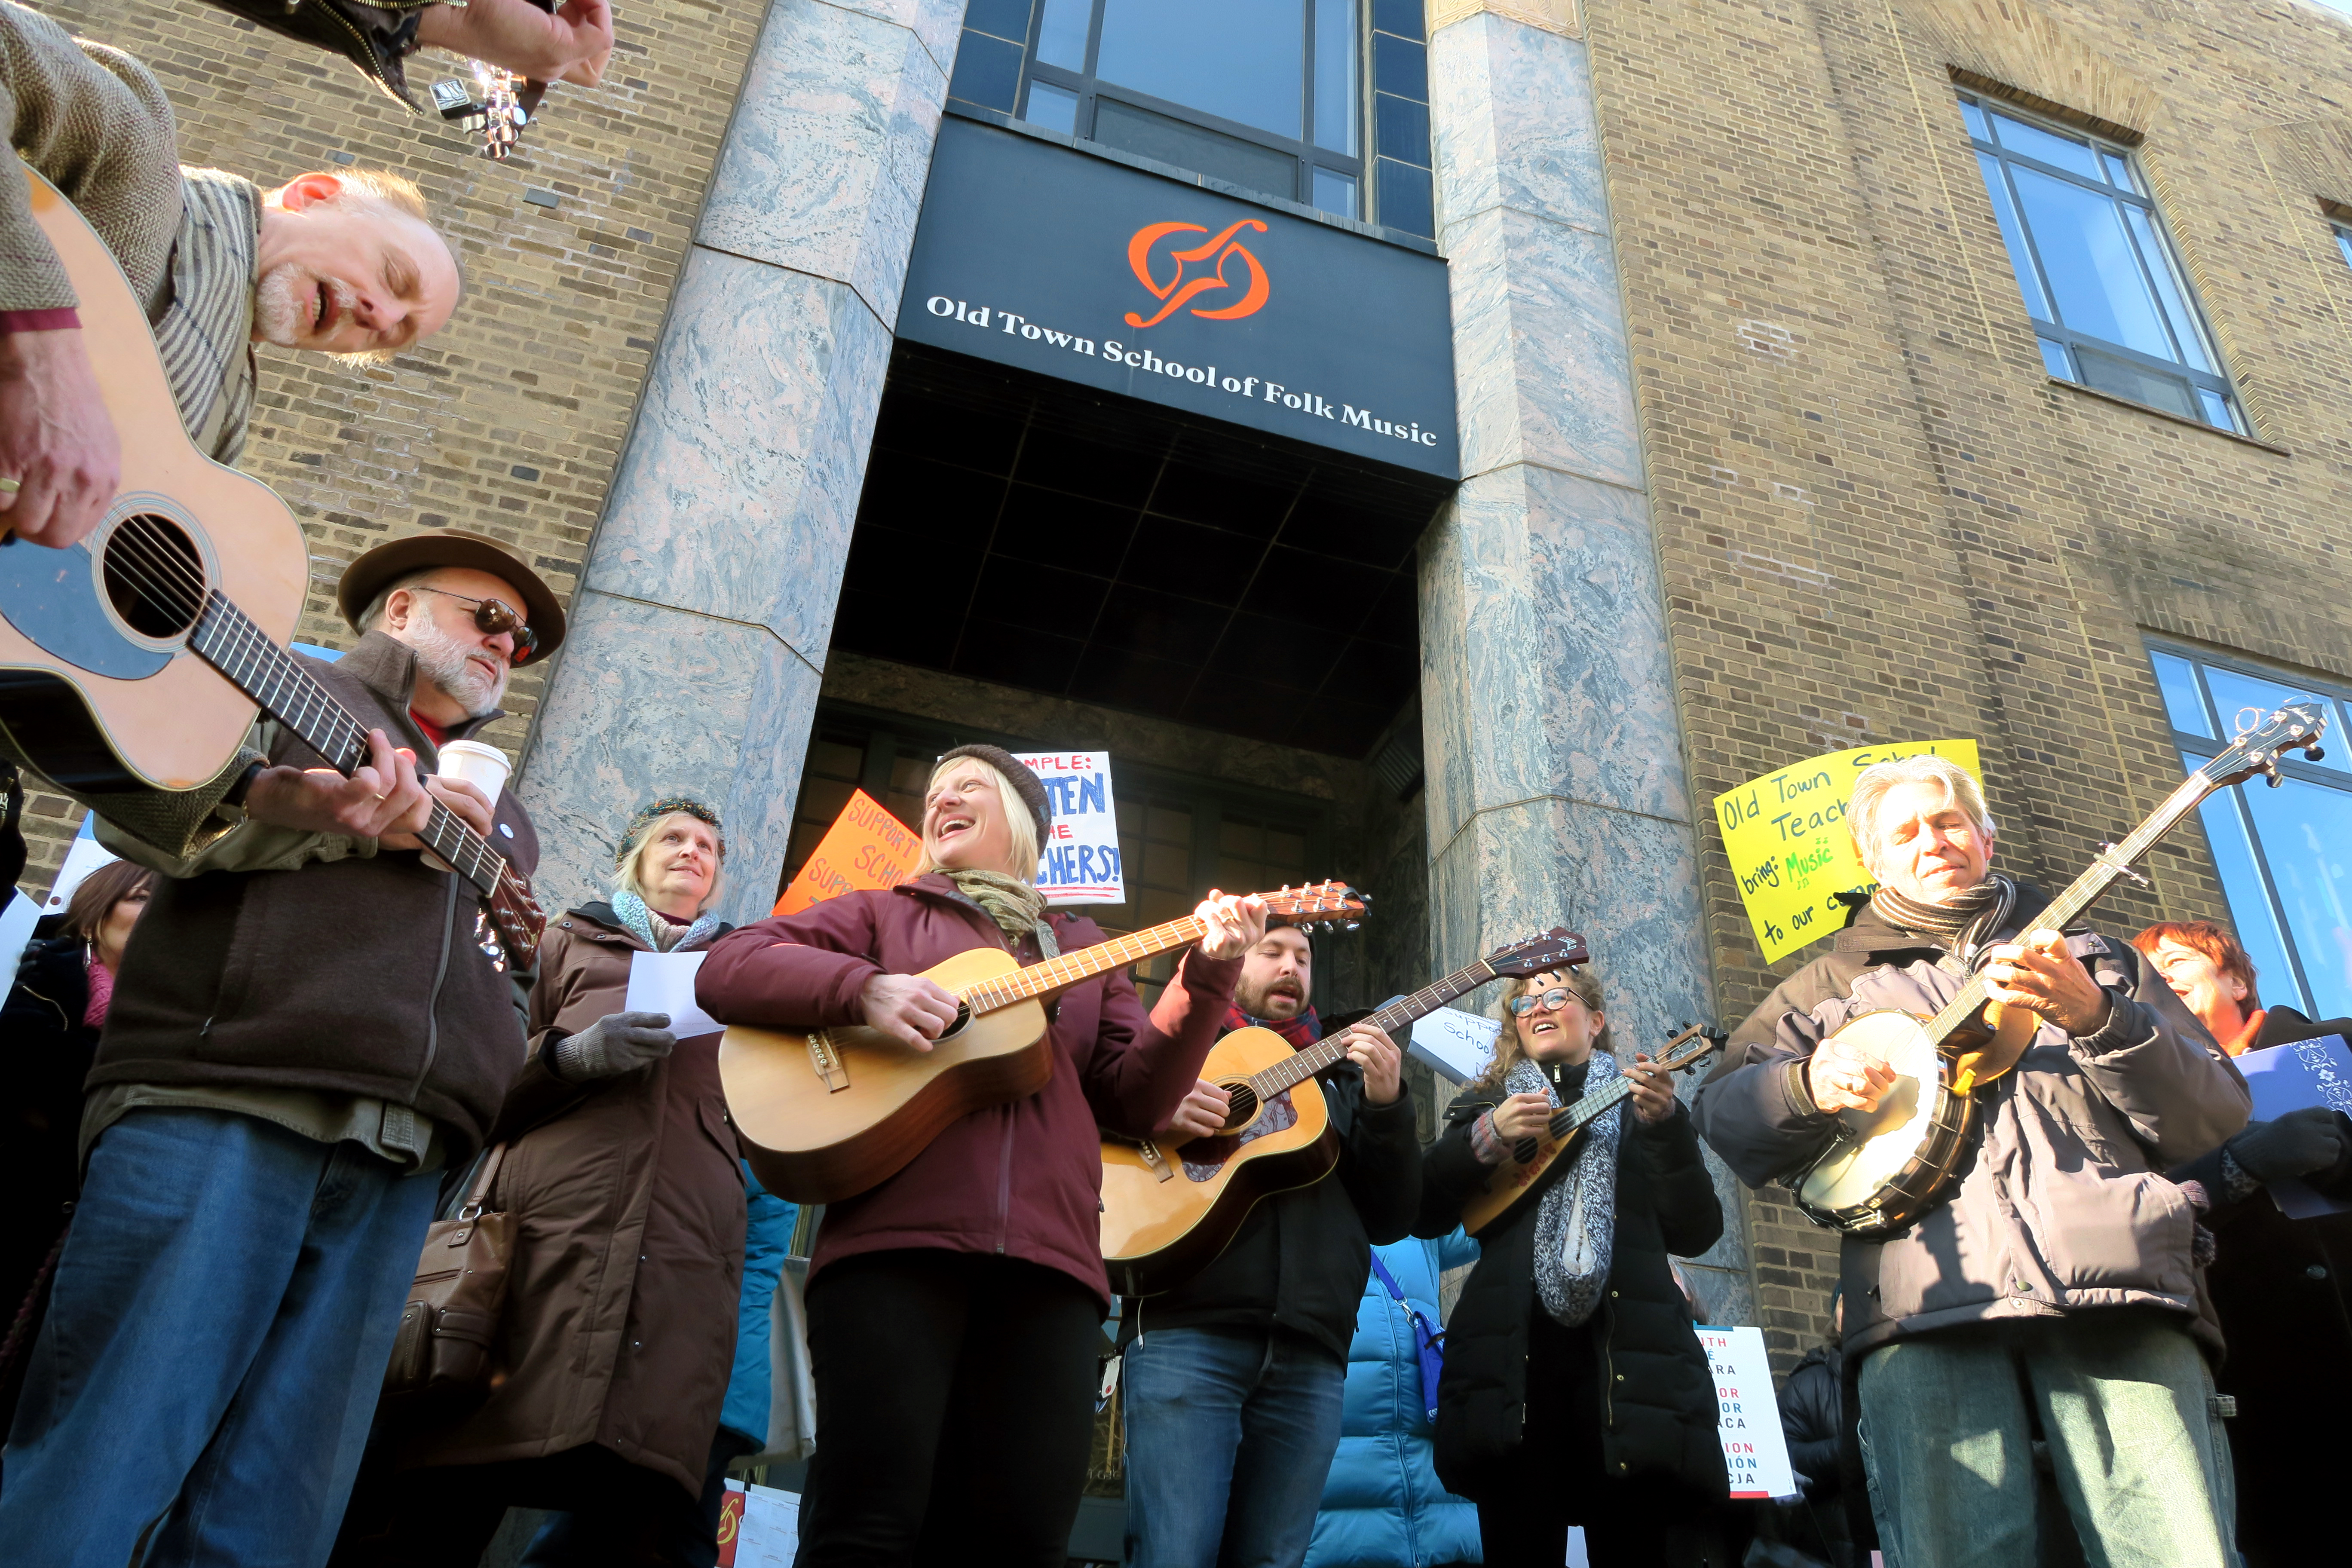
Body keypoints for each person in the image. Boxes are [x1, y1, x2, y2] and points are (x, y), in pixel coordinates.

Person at [0, 528, 561, 1567]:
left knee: (275, 1515)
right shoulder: (276, 682)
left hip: (399, 1166)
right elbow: (142, 810)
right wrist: (324, 812)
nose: (505, 647)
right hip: (227, 1098)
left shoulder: (506, 817)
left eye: (521, 643)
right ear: (399, 610)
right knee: (106, 1454)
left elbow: (501, 974)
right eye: (488, 619)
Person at [695, 744, 1262, 1567]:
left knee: (1020, 1538)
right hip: (891, 1253)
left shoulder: (1080, 946)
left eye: (969, 787)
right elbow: (728, 965)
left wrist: (1206, 976)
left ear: (1024, 823)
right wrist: (864, 989)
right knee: (865, 1526)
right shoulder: (882, 912)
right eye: (934, 792)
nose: (943, 800)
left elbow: (1137, 1098)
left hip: (1055, 1271)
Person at [1690, 755, 2250, 1568]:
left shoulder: (2094, 958)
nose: (1934, 840)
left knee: (2174, 1551)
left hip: (2116, 1293)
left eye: (1949, 820)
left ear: (1986, 836)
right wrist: (1808, 1082)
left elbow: (2215, 1110)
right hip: (1924, 1316)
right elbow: (1723, 1113)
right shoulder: (1825, 986)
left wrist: (2098, 1017)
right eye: (1906, 831)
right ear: (1871, 860)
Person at [336, 797, 745, 1567]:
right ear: (634, 856)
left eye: (709, 846)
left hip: (677, 1271)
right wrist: (569, 1056)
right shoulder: (558, 938)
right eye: (673, 838)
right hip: (531, 1254)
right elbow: (472, 1076)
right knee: (440, 1505)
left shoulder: (743, 973)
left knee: (627, 1519)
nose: (693, 852)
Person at [0, 0, 465, 548]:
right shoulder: (138, 154)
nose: (380, 314)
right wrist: (43, 351)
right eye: (393, 276)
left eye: (391, 335)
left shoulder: (219, 437)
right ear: (313, 196)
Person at [1118, 919, 1421, 1568]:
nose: (1292, 967)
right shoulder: (1177, 1044)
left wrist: (1388, 1104)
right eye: (1273, 952)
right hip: (1186, 1334)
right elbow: (1110, 1115)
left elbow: (1392, 1217)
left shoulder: (1341, 1076)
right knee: (1173, 1556)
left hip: (1311, 1357)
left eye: (1304, 957)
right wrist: (1163, 1110)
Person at [1415, 965, 1729, 1567]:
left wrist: (1664, 1129)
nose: (1538, 1006)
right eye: (1523, 1001)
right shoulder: (1487, 1104)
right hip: (1515, 1378)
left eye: (1556, 993)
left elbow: (1697, 1229)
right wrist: (1484, 1137)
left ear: (1596, 1020)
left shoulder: (1644, 1110)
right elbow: (1423, 1211)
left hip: (1627, 1376)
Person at [2133, 920, 2352, 1568]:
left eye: (2175, 961)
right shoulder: (2145, 1120)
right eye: (2147, 975)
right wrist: (2230, 1174)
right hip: (2272, 1401)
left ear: (2235, 980)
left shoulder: (2337, 1045)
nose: (2163, 978)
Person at [0, 858, 153, 1426]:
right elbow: (20, 1058)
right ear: (97, 913)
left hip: (81, 1227)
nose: (153, 915)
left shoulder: (165, 1012)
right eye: (139, 898)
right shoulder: (38, 968)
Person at [1302, 1229, 1483, 1568]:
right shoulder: (1286, 1206)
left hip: (1441, 1510)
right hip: (1336, 1527)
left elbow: (1488, 1215)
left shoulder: (1417, 1209)